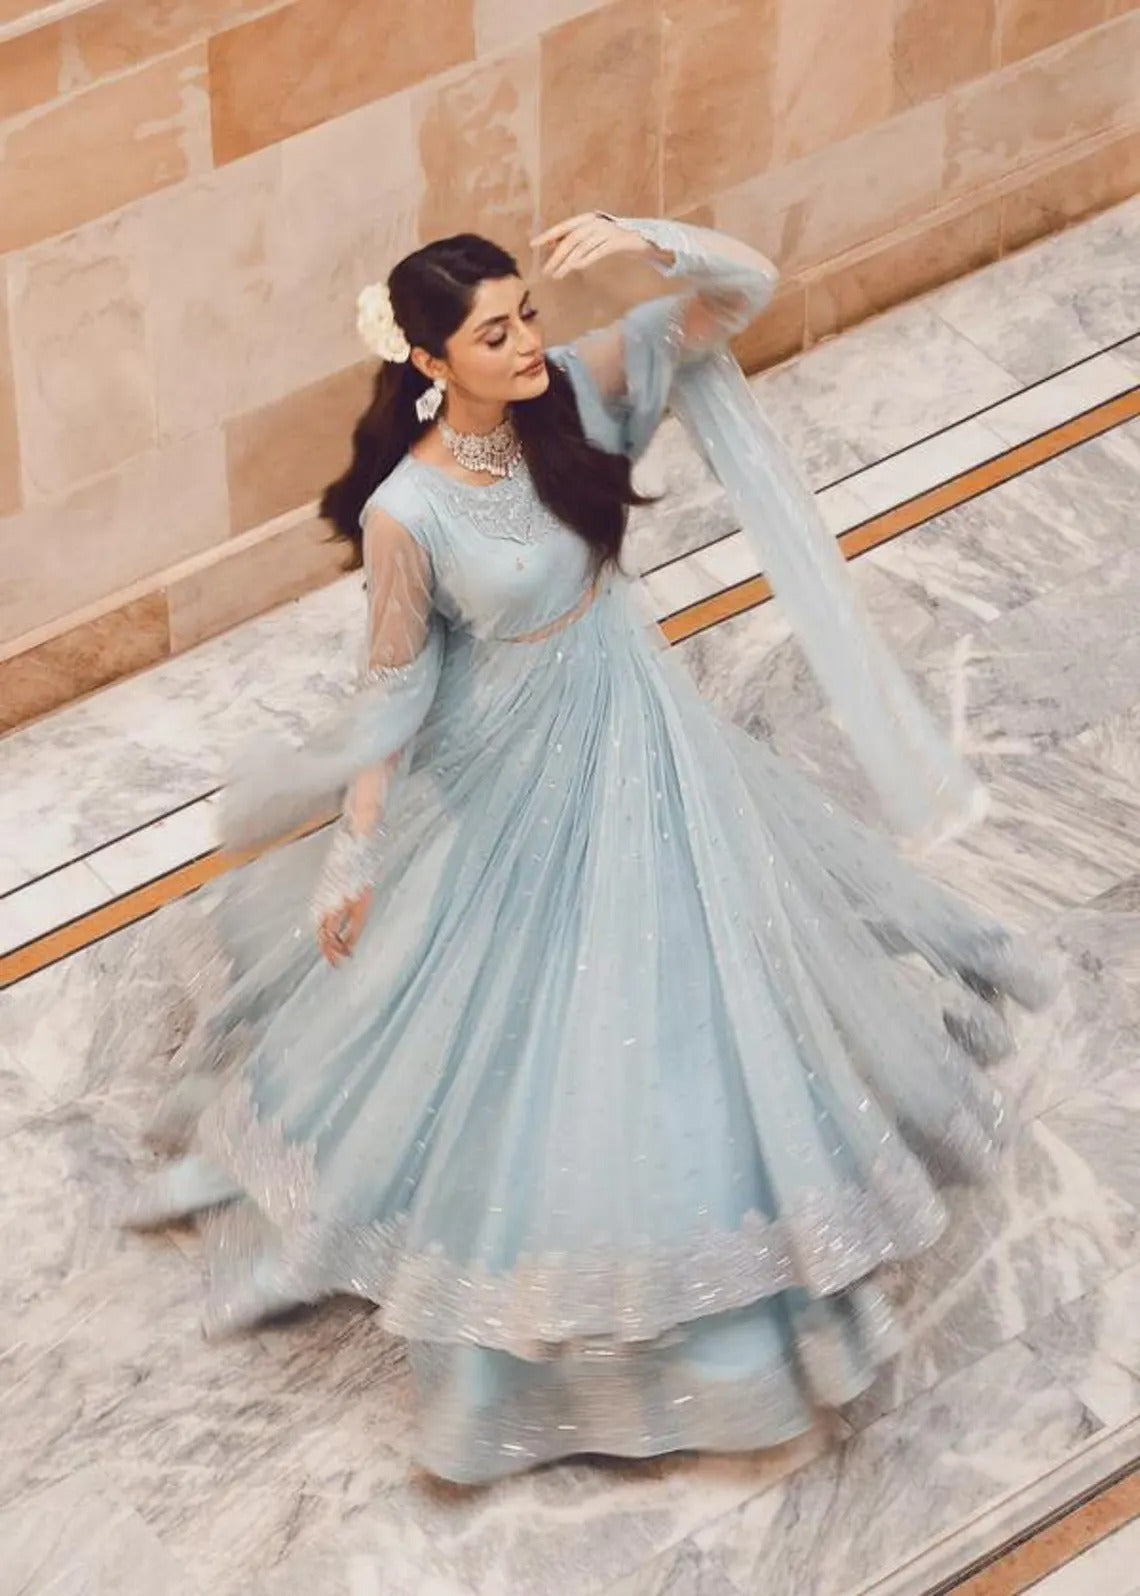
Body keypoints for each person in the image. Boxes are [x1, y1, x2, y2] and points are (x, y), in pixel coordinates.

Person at [123, 212, 1056, 1485]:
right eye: (492, 333)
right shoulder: (408, 513)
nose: (526, 342)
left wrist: (646, 239)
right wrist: (354, 852)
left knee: (698, 975)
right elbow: (394, 689)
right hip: (508, 767)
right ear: (429, 364)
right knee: (525, 1016)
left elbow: (743, 292)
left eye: (526, 314)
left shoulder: (573, 391)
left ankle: (746, 1275)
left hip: (638, 723)